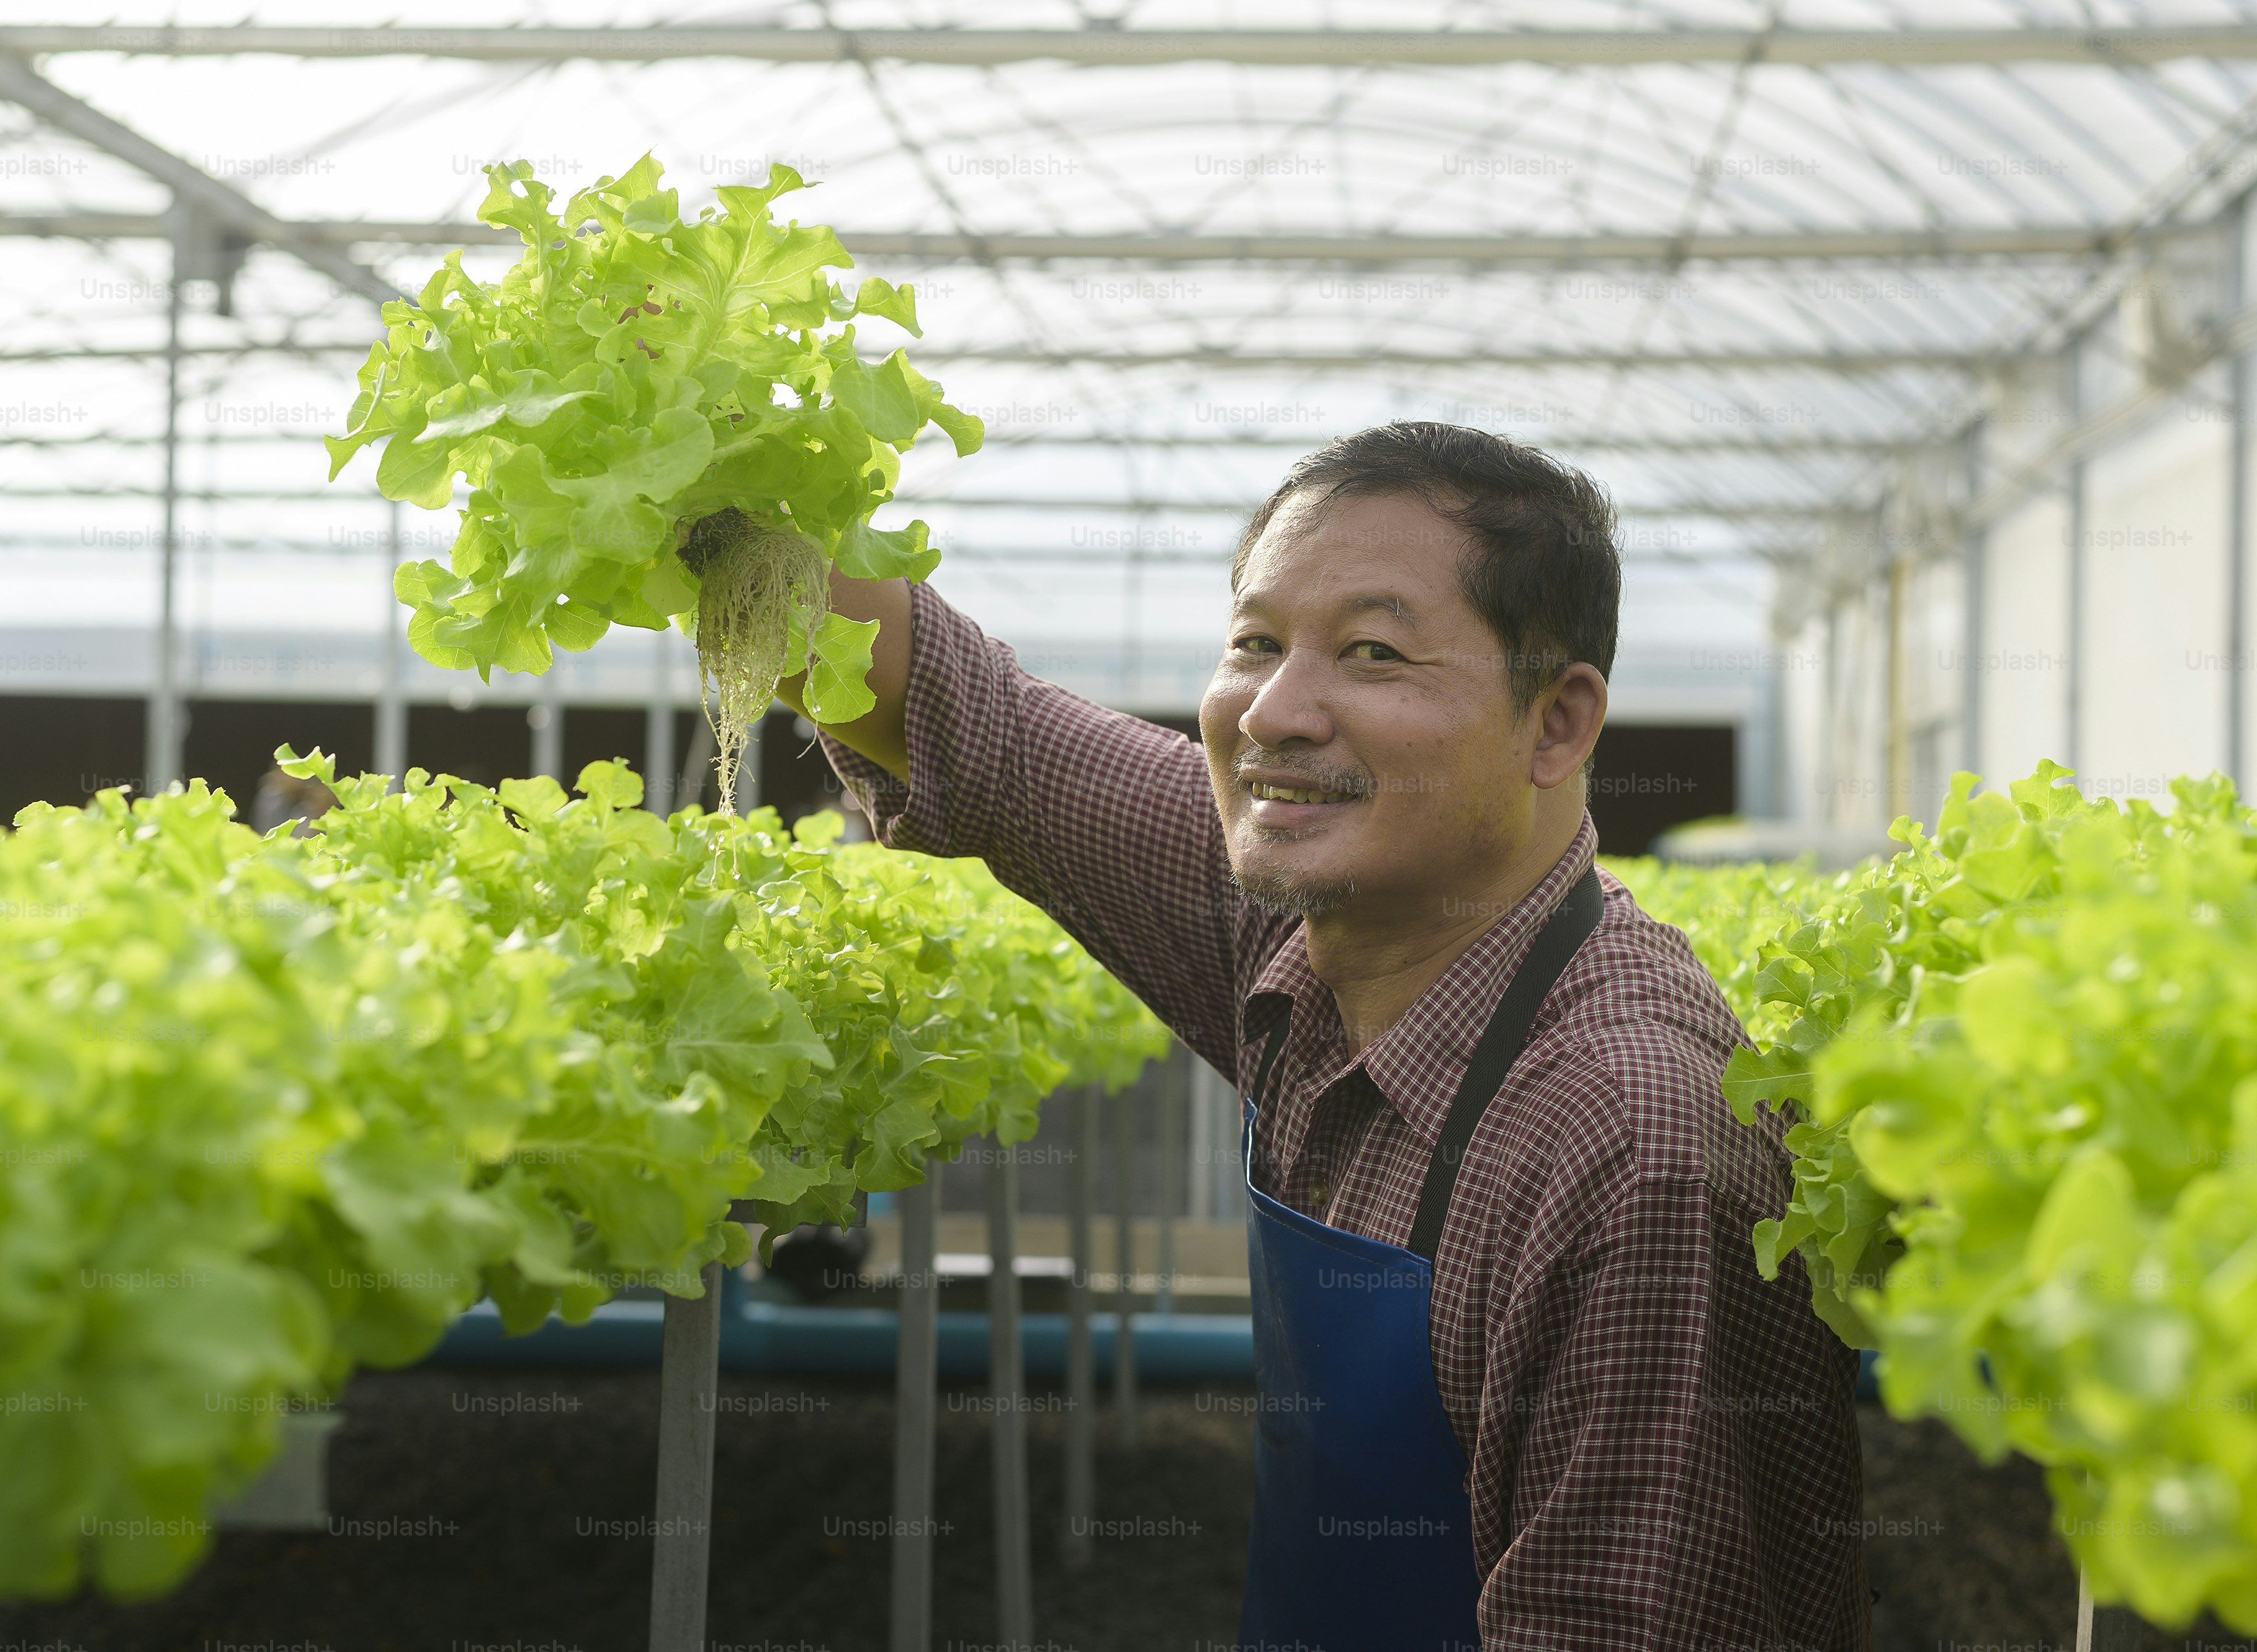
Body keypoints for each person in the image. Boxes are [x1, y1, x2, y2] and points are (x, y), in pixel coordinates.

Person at [777, 422, 1868, 1651]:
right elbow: (961, 715)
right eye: (1251, 642)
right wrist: (704, 443)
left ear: (1554, 724)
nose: (1276, 712)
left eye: (1371, 651)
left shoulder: (1626, 1143)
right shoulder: (1303, 927)